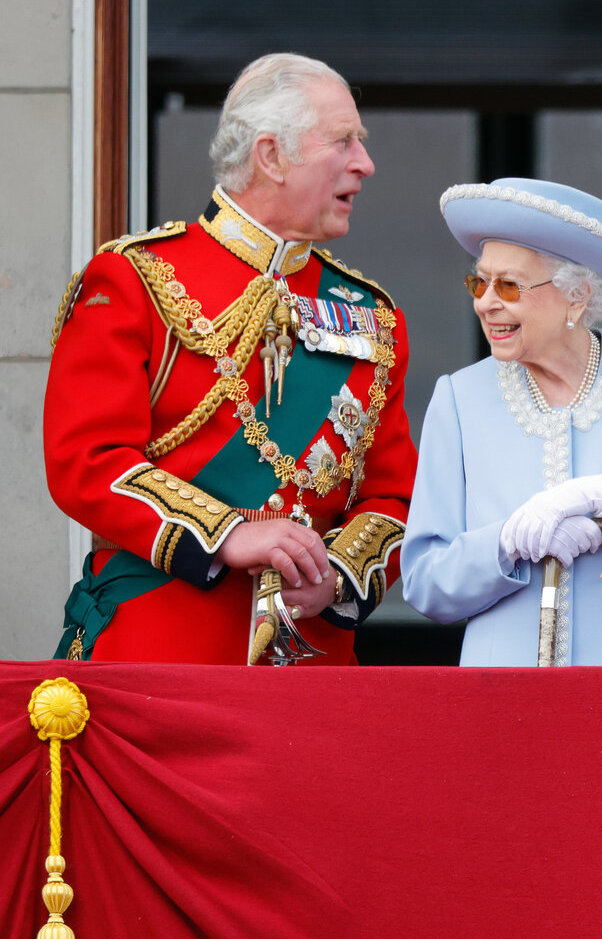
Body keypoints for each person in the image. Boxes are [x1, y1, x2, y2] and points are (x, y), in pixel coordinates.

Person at [45, 53, 416, 663]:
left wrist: (339, 576)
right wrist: (229, 536)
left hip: (314, 669)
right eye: (344, 141)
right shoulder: (137, 278)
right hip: (161, 655)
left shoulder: (374, 315)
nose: (365, 163)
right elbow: (85, 460)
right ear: (271, 156)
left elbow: (396, 497)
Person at [400, 178, 602, 666]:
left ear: (575, 297)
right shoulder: (459, 398)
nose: (485, 301)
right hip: (502, 704)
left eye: (508, 284)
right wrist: (506, 542)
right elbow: (426, 585)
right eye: (479, 281)